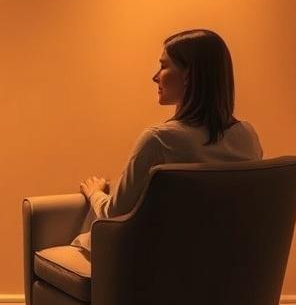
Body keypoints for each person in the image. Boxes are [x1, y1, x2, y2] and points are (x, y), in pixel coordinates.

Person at [72, 29, 262, 251]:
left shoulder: (159, 139)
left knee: (89, 234)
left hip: (157, 264)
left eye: (163, 66)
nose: (155, 77)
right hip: (226, 263)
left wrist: (95, 192)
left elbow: (115, 213)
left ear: (190, 75)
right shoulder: (247, 136)